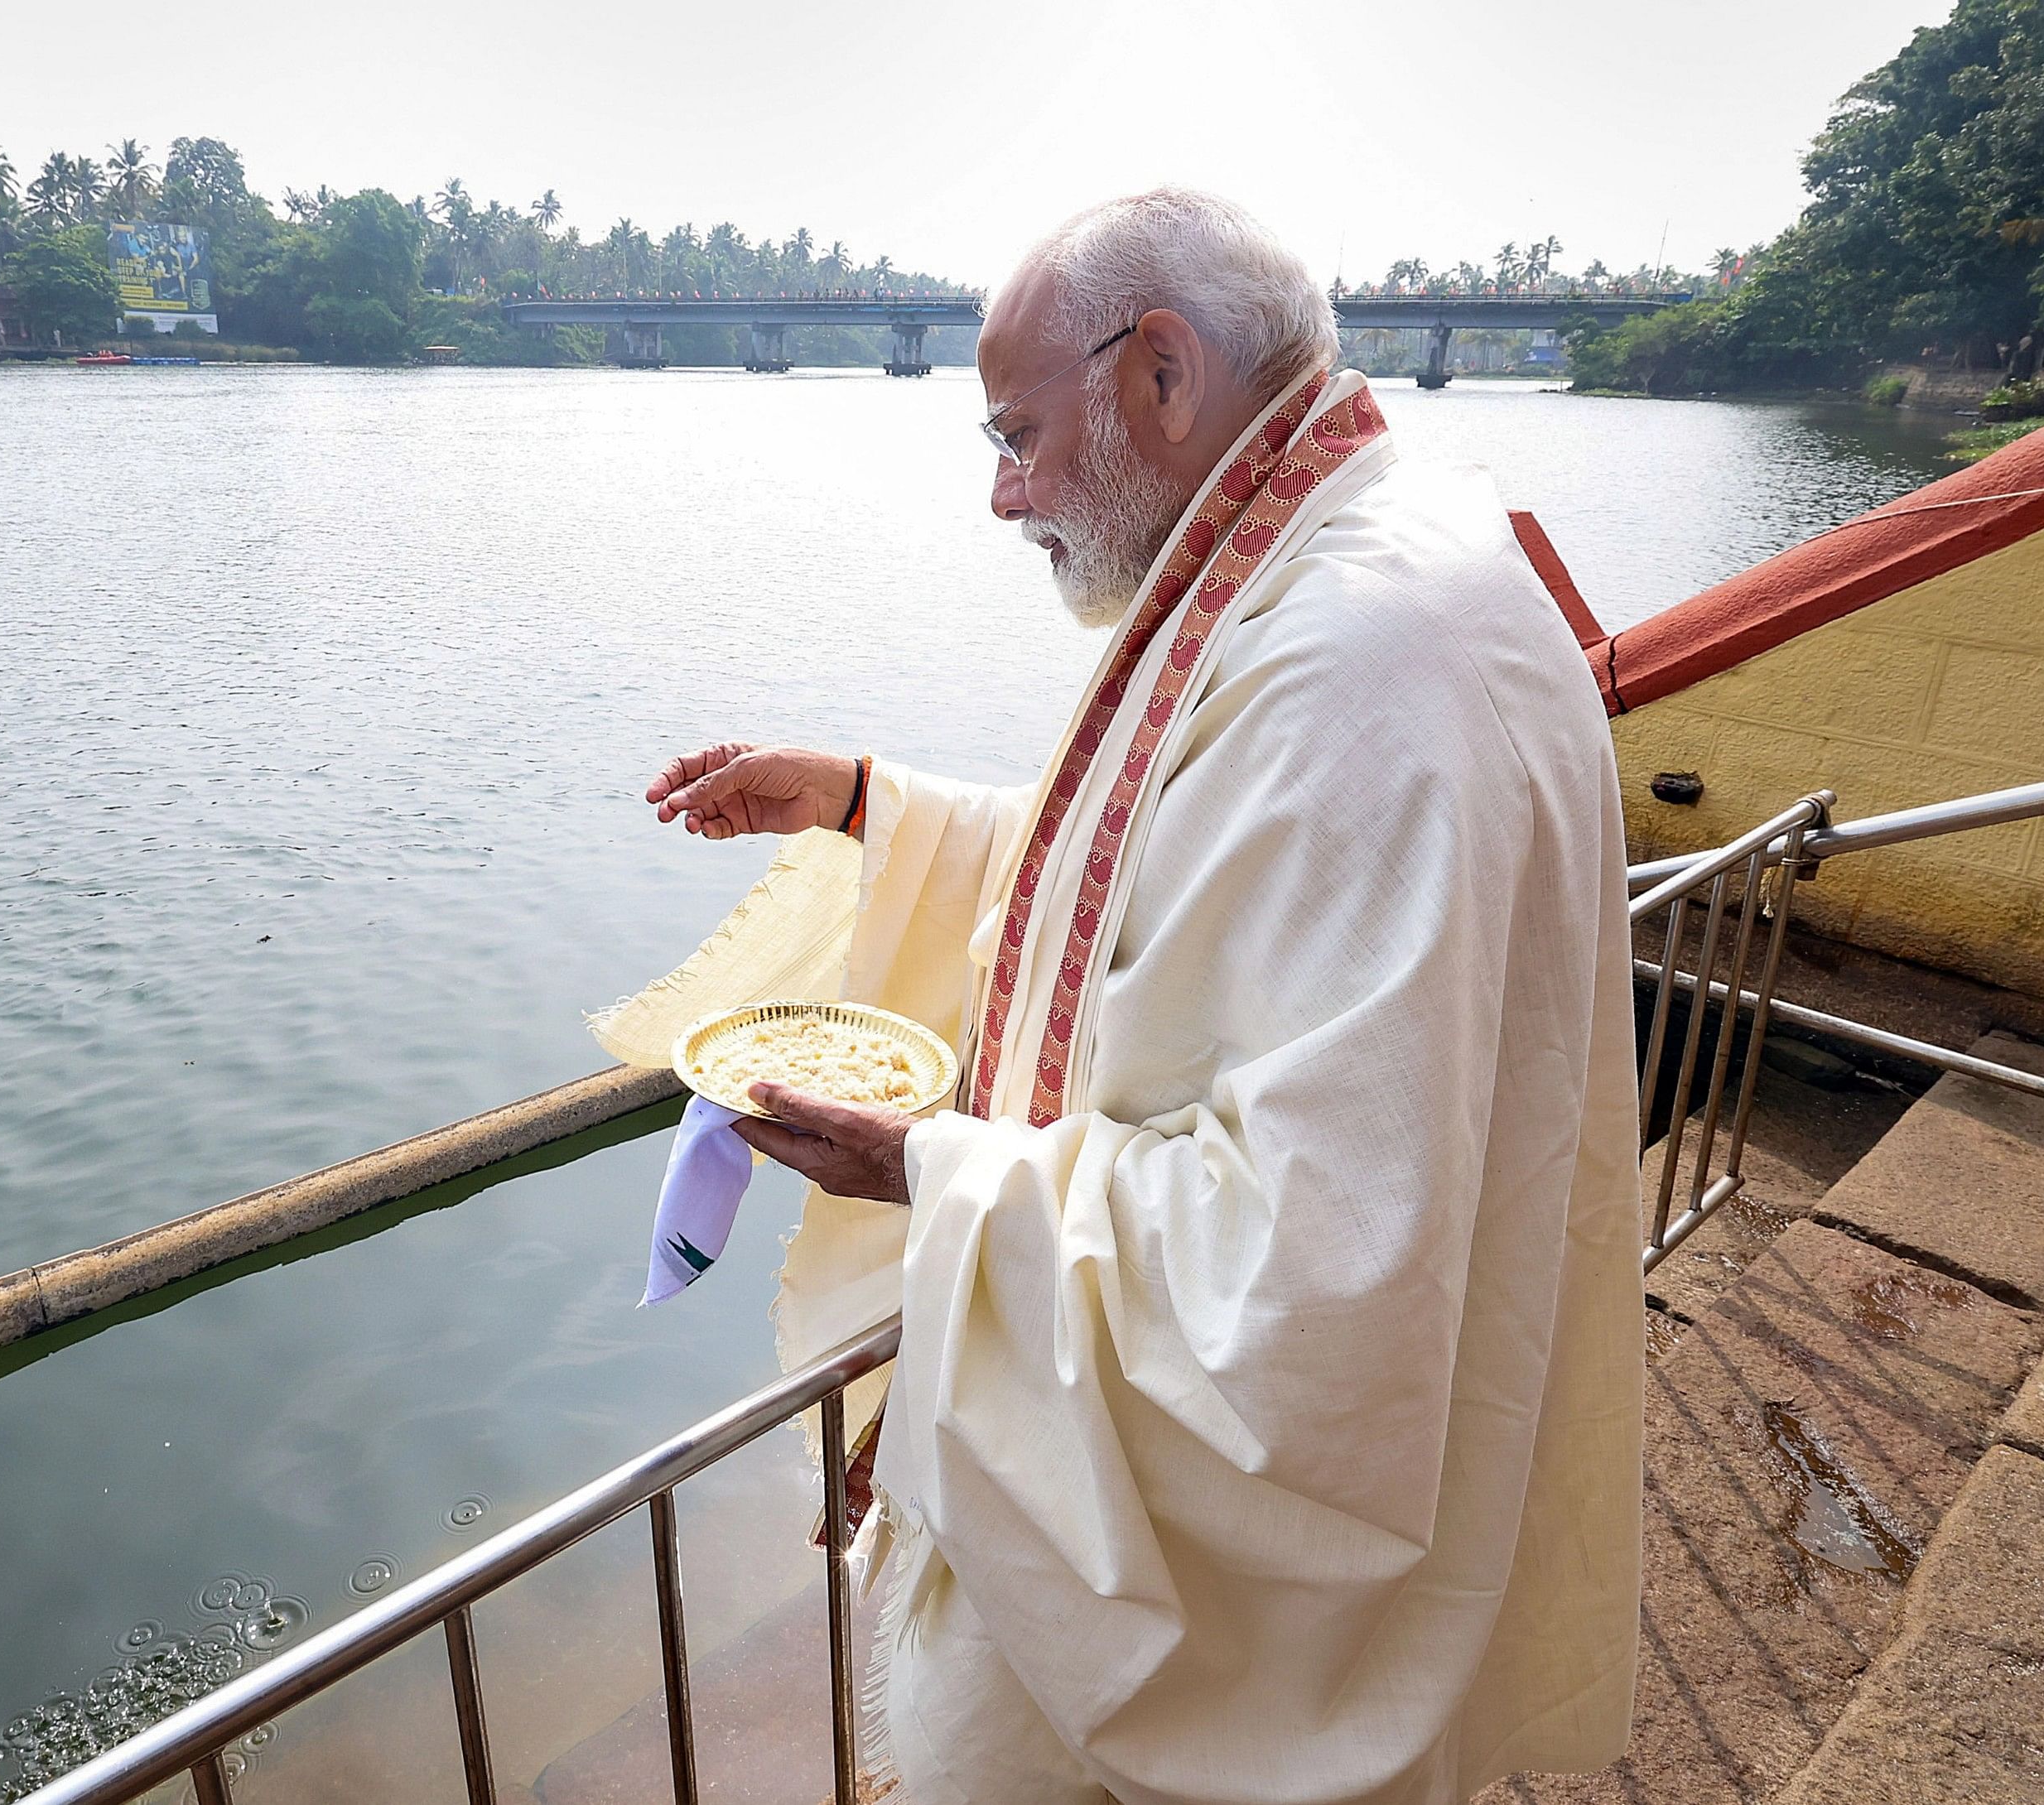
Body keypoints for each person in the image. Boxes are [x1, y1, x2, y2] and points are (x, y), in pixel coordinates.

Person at [635, 188, 1641, 1805]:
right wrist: (870, 806)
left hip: (1220, 1637)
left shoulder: (1360, 669)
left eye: (1021, 432)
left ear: (1161, 375)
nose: (1001, 493)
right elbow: (1167, 872)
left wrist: (929, 1169)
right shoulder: (1346, 553)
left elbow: (1314, 1265)